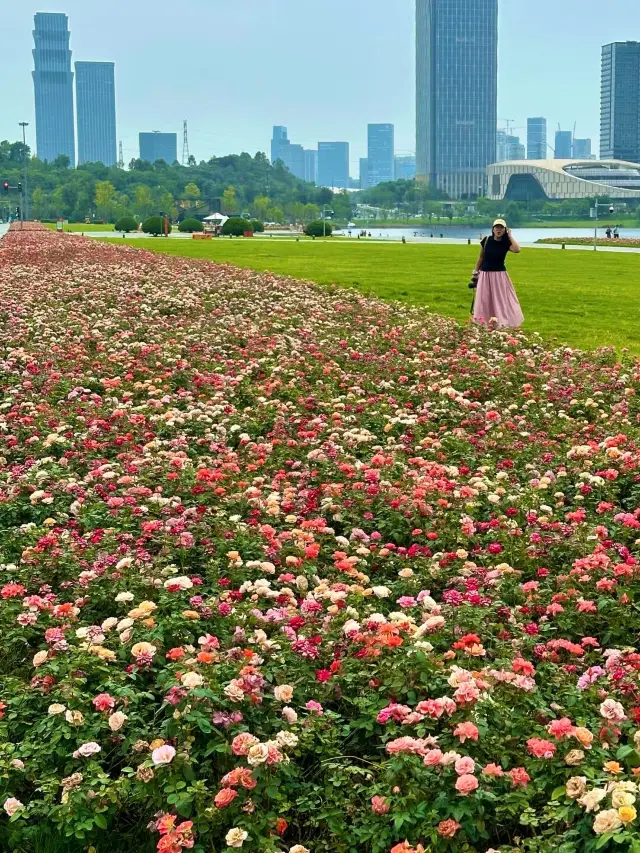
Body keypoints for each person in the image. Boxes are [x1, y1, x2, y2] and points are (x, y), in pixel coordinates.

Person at [471, 218, 523, 329]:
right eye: (497, 227)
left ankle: (501, 323)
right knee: (484, 300)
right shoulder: (486, 241)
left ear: (505, 230)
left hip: (499, 275)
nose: (499, 230)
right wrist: (476, 273)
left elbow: (517, 249)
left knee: (500, 300)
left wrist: (510, 236)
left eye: (501, 228)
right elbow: (481, 258)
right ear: (493, 229)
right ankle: (483, 322)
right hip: (485, 274)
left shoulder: (506, 243)